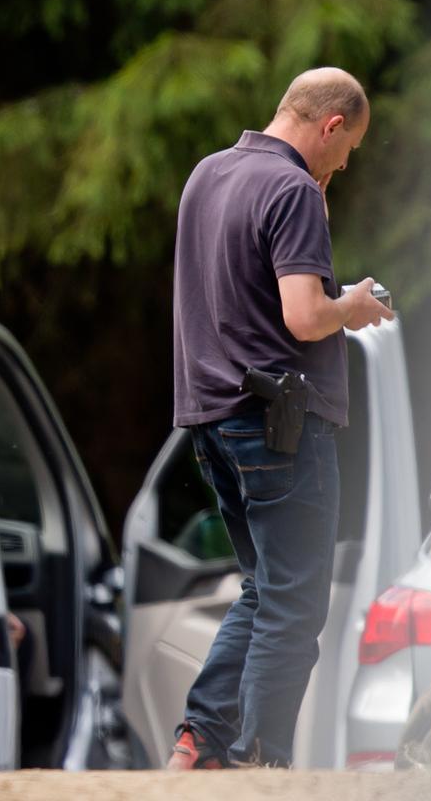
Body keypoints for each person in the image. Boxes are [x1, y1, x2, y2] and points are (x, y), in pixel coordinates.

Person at [166, 67, 394, 769]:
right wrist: (351, 308)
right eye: (347, 147)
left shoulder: (208, 174)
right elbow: (303, 316)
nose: (345, 163)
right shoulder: (291, 188)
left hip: (211, 417)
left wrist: (313, 209)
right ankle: (260, 765)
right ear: (330, 126)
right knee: (294, 608)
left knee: (265, 590)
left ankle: (200, 742)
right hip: (279, 425)